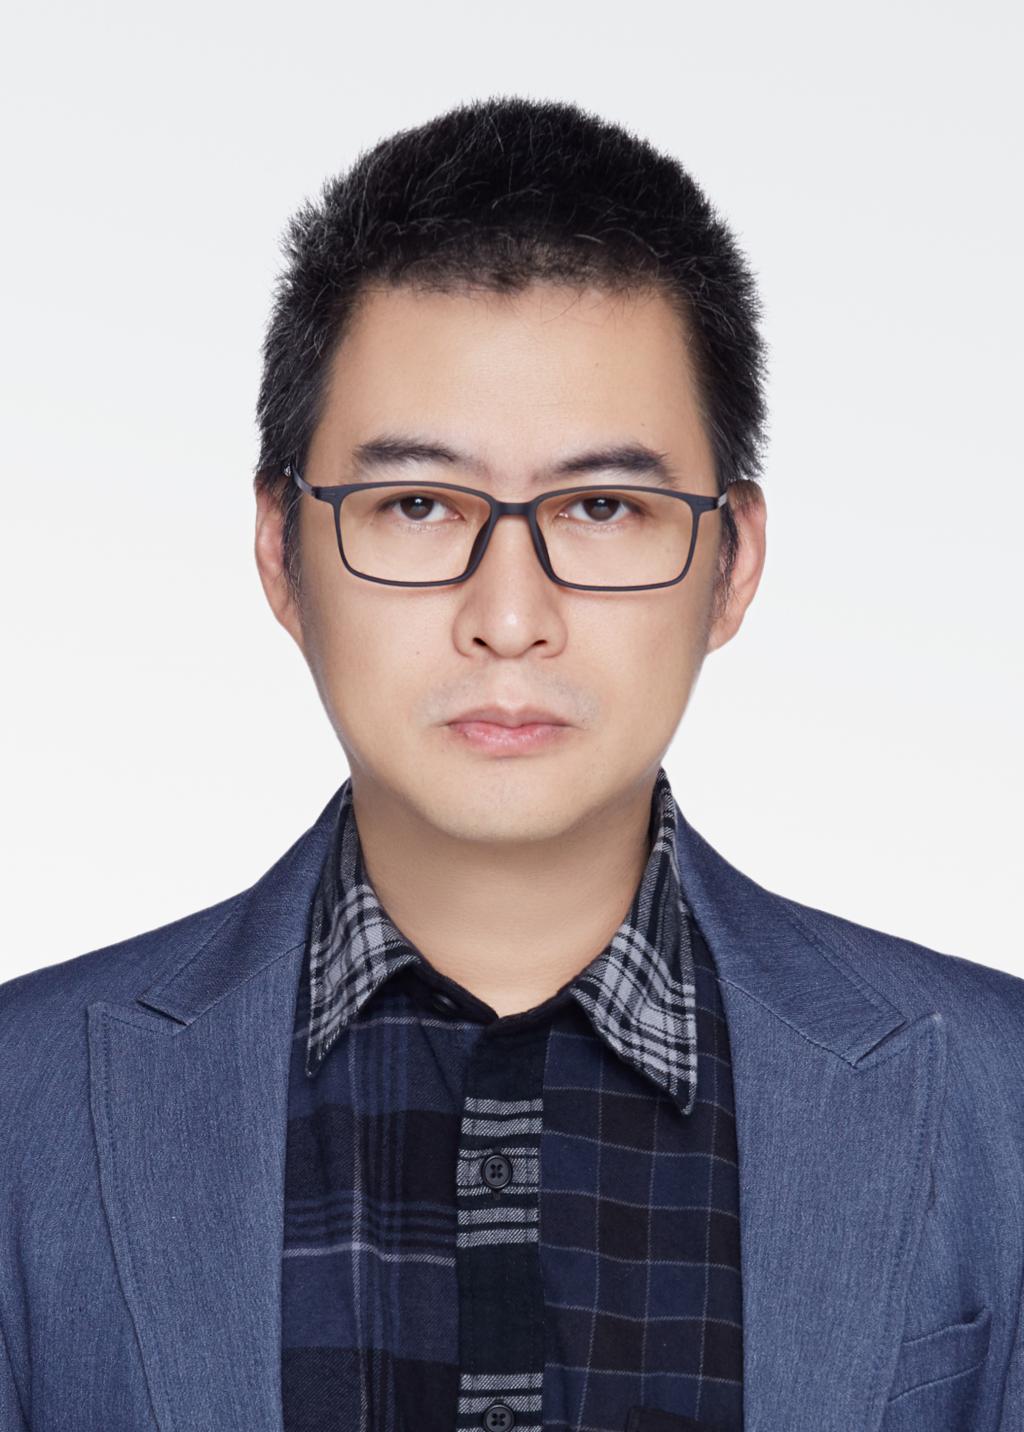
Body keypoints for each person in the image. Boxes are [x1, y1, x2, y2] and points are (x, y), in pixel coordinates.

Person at [1, 96, 1021, 1432]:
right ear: (281, 553)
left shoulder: (996, 1096)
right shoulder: (22, 1106)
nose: (509, 615)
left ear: (733, 564)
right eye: (418, 504)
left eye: (602, 507)